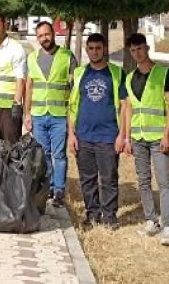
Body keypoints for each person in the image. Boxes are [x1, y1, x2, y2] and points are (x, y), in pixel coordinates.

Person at [67, 33, 127, 228]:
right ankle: (92, 215)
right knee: (87, 179)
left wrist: (122, 136)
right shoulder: (79, 74)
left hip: (108, 136)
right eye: (91, 48)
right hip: (83, 136)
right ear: (86, 50)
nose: (94, 52)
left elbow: (125, 106)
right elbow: (72, 106)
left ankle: (109, 217)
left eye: (98, 48)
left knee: (109, 178)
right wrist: (71, 135)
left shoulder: (116, 74)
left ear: (105, 49)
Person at [124, 33, 169, 246]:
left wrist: (167, 134)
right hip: (138, 137)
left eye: (140, 49)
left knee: (164, 182)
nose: (137, 53)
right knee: (143, 181)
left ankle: (168, 227)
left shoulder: (163, 73)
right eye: (133, 50)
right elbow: (128, 109)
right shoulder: (129, 78)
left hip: (158, 138)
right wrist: (127, 138)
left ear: (147, 48)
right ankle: (151, 220)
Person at [24, 21, 77, 208]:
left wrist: (73, 116)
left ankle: (60, 190)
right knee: (43, 154)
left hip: (59, 115)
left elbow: (74, 89)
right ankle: (49, 187)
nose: (44, 38)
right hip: (38, 115)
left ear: (53, 34)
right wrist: (27, 113)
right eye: (40, 36)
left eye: (47, 34)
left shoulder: (67, 57)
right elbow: (28, 87)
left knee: (59, 154)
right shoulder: (32, 58)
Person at [0, 12, 26, 143]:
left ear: (5, 25)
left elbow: (21, 79)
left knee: (11, 147)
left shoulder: (16, 49)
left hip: (9, 109)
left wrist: (17, 104)